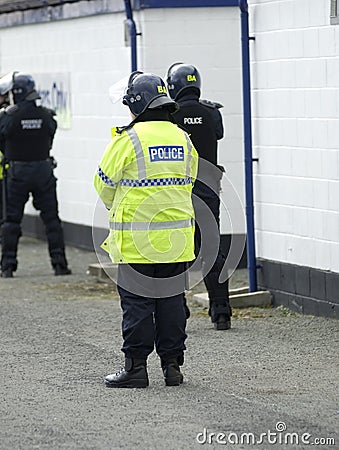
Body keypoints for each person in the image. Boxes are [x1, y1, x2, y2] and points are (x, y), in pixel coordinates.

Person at [94, 71, 198, 388]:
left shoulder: (128, 140)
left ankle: (136, 368)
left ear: (137, 105)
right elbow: (190, 180)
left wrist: (120, 204)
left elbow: (103, 185)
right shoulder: (182, 138)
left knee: (138, 304)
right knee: (171, 303)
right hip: (177, 240)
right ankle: (172, 367)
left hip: (137, 241)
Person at [166, 62, 232, 331]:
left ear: (173, 87)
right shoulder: (212, 112)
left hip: (179, 189)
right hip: (208, 190)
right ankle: (221, 313)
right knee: (212, 249)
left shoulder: (169, 115)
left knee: (176, 248)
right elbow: (218, 134)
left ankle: (178, 309)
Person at [0, 71, 71, 278]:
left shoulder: (8, 117)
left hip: (17, 171)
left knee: (11, 221)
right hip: (43, 170)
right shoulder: (46, 115)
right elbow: (50, 135)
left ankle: (7, 267)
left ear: (17, 93)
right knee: (51, 220)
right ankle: (60, 265)